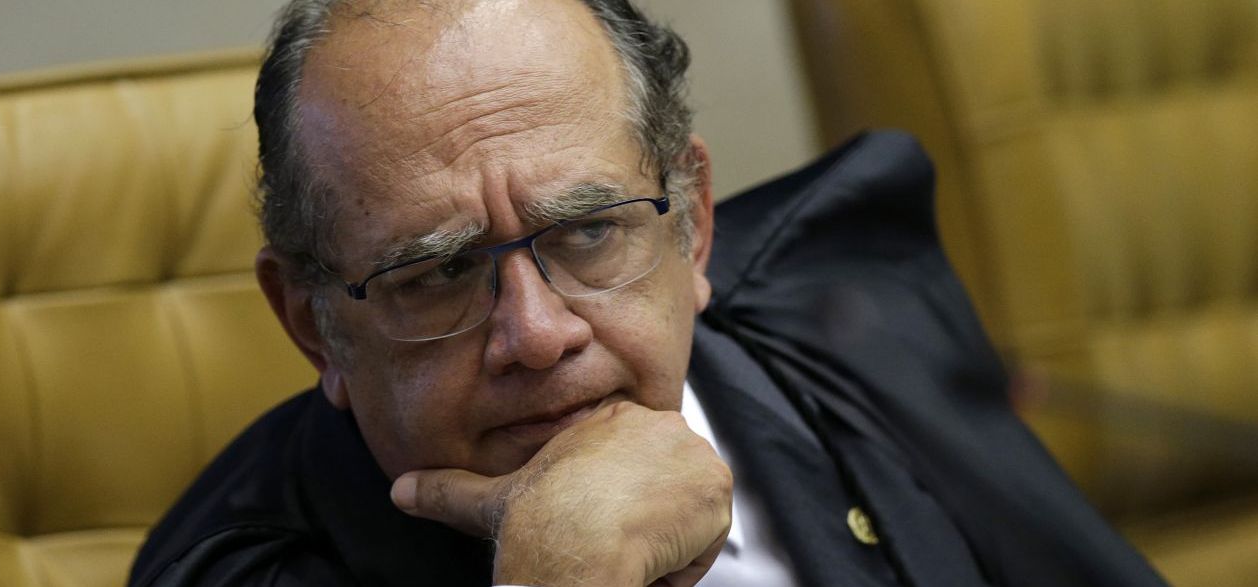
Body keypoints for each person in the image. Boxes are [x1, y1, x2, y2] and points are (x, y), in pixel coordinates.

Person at [130, 1, 1168, 585]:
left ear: (694, 222)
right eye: (437, 271)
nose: (538, 333)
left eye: (588, 231)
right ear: (314, 327)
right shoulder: (236, 568)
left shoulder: (850, 306)